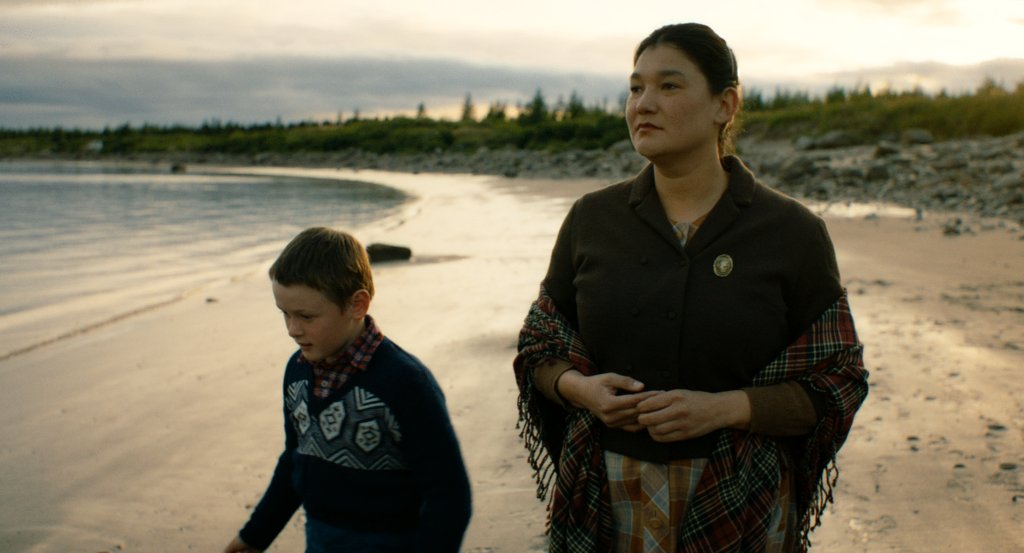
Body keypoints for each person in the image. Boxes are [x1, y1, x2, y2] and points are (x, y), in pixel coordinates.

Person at [514, 23, 868, 553]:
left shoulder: (791, 232)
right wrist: (580, 389)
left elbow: (838, 381)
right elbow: (539, 348)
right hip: (606, 500)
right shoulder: (592, 219)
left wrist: (727, 408)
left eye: (669, 86)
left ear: (724, 104)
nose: (643, 104)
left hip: (741, 505)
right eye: (635, 88)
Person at [225, 227, 472, 553]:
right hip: (321, 540)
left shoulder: (405, 384)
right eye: (284, 313)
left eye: (306, 316)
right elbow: (295, 462)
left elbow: (449, 496)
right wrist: (253, 537)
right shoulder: (297, 373)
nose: (292, 329)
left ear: (357, 304)